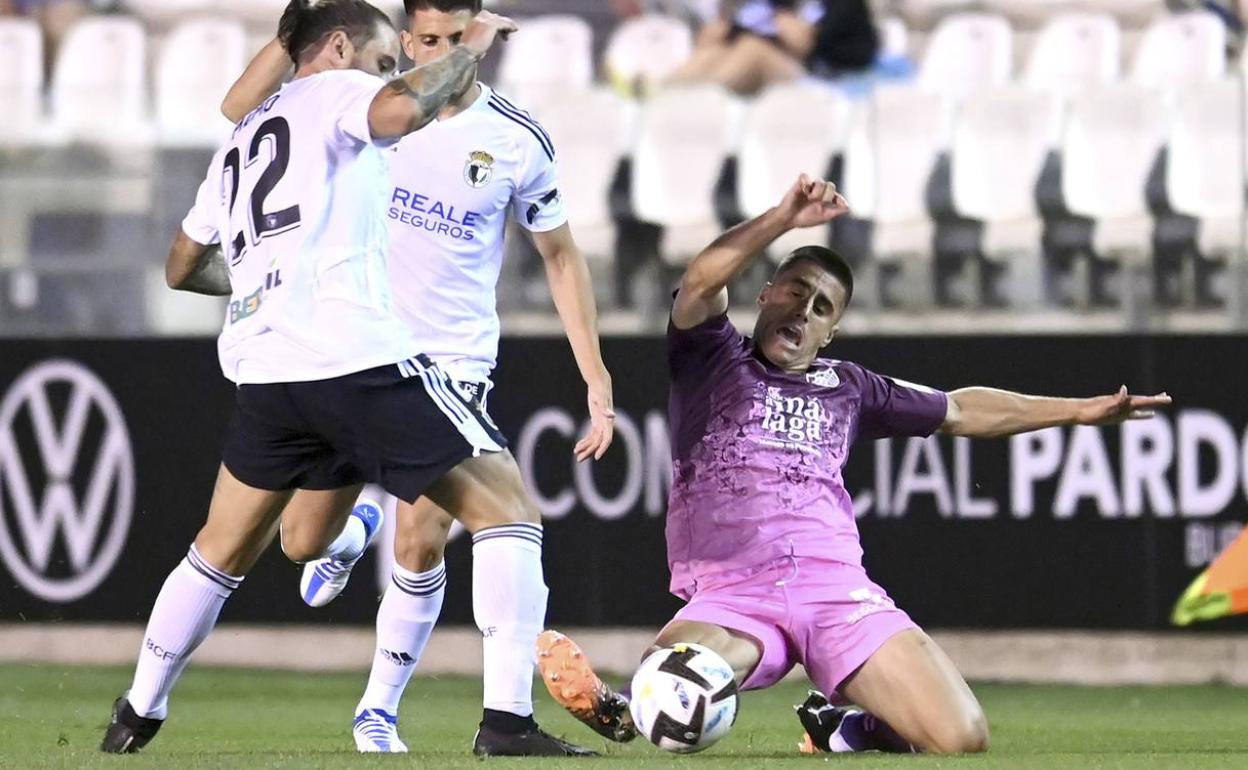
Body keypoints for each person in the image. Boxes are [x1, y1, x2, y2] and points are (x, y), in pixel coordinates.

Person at [100, 0, 591, 758]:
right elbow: (397, 114)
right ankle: (507, 724)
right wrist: (470, 52)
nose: (391, 74)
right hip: (353, 357)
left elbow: (182, 266)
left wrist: (269, 277)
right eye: (384, 59)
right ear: (337, 48)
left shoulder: (244, 135)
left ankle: (135, 714)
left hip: (267, 373)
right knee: (509, 510)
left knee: (220, 552)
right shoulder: (336, 91)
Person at [536, 174, 1172, 754]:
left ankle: (846, 727)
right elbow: (702, 280)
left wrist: (1077, 411)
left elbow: (959, 410)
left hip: (836, 590)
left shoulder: (851, 387)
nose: (803, 312)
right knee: (673, 684)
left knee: (962, 740)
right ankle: (628, 707)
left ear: (831, 332)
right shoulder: (712, 358)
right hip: (736, 590)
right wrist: (783, 218)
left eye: (822, 309)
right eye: (796, 293)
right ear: (765, 295)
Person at [668, 0, 878, 95]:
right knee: (714, 52)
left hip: (821, 78)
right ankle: (664, 90)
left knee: (752, 50)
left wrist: (804, 39)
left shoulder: (842, 4)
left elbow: (807, 46)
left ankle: (701, 95)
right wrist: (727, 31)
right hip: (770, 69)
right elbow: (747, 27)